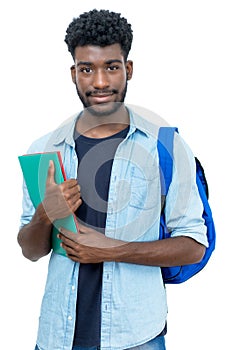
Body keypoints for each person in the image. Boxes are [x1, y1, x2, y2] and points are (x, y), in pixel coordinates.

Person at [17, 9, 208, 350]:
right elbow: (31, 251)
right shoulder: (45, 150)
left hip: (136, 338)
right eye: (87, 69)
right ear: (74, 74)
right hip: (57, 337)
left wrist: (112, 250)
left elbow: (193, 246)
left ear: (128, 69)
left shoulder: (165, 146)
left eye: (112, 67)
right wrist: (45, 214)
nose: (100, 82)